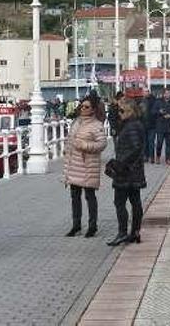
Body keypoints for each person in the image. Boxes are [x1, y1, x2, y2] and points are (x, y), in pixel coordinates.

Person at [63, 94, 108, 239]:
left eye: (87, 106)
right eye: (82, 106)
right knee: (74, 196)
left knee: (90, 196)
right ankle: (76, 225)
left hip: (88, 165)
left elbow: (102, 144)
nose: (83, 108)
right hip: (74, 165)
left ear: (93, 109)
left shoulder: (97, 125)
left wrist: (85, 146)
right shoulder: (76, 122)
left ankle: (92, 226)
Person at [107, 98, 147, 246]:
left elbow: (136, 148)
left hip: (127, 171)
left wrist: (121, 164)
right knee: (134, 201)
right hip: (132, 170)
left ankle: (123, 232)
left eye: (122, 111)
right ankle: (134, 232)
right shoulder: (131, 124)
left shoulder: (132, 126)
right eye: (119, 110)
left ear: (130, 111)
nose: (119, 113)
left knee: (120, 201)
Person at [154, 89, 170, 165]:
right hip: (160, 126)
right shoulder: (158, 102)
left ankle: (168, 158)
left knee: (168, 143)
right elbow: (153, 111)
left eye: (169, 93)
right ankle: (158, 156)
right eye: (166, 93)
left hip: (169, 126)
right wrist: (159, 112)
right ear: (163, 94)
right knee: (159, 143)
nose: (168, 94)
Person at [143, 91, 158, 162]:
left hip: (152, 125)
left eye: (146, 92)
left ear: (149, 92)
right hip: (143, 124)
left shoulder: (154, 100)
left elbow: (155, 112)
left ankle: (151, 156)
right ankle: (146, 156)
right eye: (144, 92)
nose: (144, 93)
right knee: (145, 142)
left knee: (151, 141)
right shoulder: (142, 101)